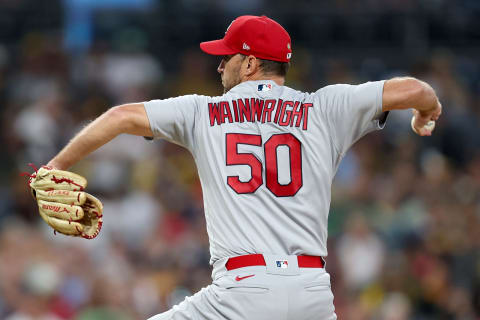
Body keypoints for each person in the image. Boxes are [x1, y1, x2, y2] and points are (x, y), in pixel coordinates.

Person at [45, 15, 442, 320]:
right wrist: (426, 114)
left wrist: (54, 166)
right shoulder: (325, 107)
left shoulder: (204, 111)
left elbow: (119, 116)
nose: (220, 66)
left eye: (226, 57)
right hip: (313, 293)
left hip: (242, 293)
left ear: (250, 63)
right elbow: (416, 91)